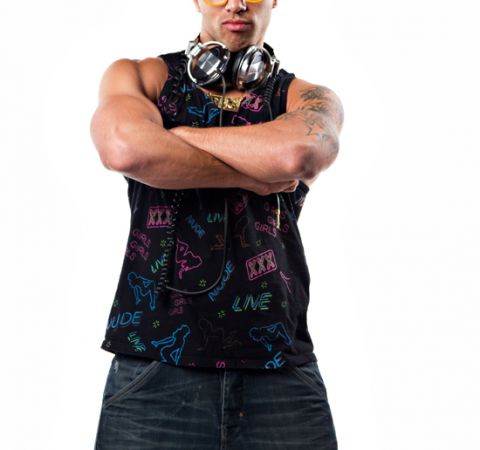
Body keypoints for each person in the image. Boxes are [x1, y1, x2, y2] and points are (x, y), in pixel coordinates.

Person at [90, 0, 344, 448]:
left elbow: (296, 154)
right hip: (153, 368)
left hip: (279, 372)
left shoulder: (306, 96)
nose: (237, 3)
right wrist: (254, 176)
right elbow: (124, 149)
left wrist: (176, 136)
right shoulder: (142, 77)